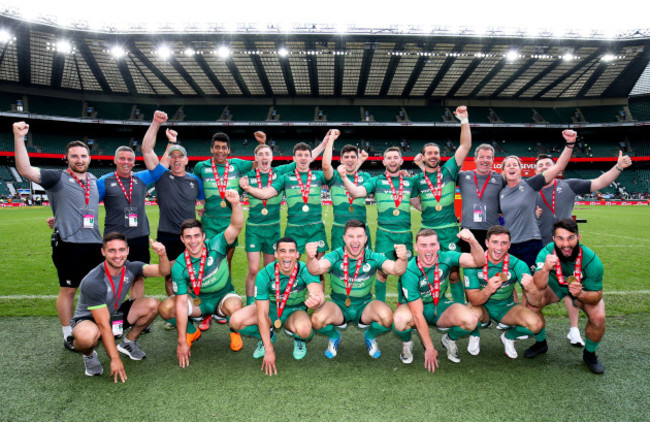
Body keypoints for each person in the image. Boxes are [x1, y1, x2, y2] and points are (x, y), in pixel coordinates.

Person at [13, 121, 104, 350]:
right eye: (74, 156)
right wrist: (19, 137)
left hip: (94, 244)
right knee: (69, 290)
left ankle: (95, 326)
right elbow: (25, 170)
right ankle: (68, 334)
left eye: (83, 155)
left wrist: (58, 218)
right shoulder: (56, 178)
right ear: (67, 158)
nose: (80, 159)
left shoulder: (93, 181)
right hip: (68, 244)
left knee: (97, 288)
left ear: (89, 158)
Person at [534, 151, 632, 346]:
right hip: (539, 247)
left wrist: (618, 167)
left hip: (565, 246)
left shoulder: (568, 185)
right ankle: (536, 333)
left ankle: (574, 330)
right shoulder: (529, 190)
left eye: (548, 164)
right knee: (534, 291)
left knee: (573, 285)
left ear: (557, 168)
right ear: (535, 170)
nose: (544, 168)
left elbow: (599, 183)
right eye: (540, 166)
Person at [158, 190, 245, 368]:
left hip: (223, 298)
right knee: (166, 308)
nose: (193, 241)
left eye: (197, 236)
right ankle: (192, 332)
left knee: (235, 307)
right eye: (188, 237)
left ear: (203, 236)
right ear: (182, 239)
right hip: (199, 303)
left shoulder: (217, 243)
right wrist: (182, 340)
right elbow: (182, 303)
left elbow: (235, 227)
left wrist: (236, 204)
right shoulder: (180, 266)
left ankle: (234, 330)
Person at [70, 232, 170, 381]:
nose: (117, 255)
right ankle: (89, 355)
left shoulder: (131, 267)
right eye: (112, 250)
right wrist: (115, 359)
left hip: (113, 314)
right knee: (86, 338)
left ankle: (128, 343)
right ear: (103, 252)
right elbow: (102, 324)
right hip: (88, 320)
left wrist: (162, 254)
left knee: (152, 304)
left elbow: (164, 271)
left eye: (121, 250)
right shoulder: (94, 281)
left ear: (128, 250)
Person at [239, 137, 326, 305]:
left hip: (273, 229)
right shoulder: (247, 177)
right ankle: (252, 304)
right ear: (255, 158)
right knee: (253, 269)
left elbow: (306, 157)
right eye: (261, 154)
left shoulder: (280, 172)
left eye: (267, 154)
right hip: (254, 228)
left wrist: (323, 144)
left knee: (269, 270)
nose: (264, 158)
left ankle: (270, 301)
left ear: (272, 157)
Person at [306, 220, 408, 359]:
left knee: (387, 317)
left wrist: (402, 259)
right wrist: (311, 257)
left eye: (359, 236)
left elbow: (396, 270)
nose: (355, 241)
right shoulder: (335, 256)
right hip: (338, 305)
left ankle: (370, 336)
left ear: (365, 239)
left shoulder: (373, 257)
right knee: (317, 320)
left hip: (364, 305)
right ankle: (334, 336)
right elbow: (316, 268)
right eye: (351, 236)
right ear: (344, 238)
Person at [192, 130, 263, 330]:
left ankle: (221, 303)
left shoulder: (238, 164)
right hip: (208, 223)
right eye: (217, 147)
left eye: (224, 147)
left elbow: (259, 164)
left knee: (226, 262)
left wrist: (262, 144)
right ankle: (205, 309)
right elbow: (197, 186)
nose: (221, 151)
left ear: (229, 150)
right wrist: (202, 201)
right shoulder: (201, 166)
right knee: (205, 263)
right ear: (212, 149)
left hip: (230, 223)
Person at [228, 237, 325, 375]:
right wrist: (269, 350)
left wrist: (317, 299)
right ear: (276, 254)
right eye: (282, 251)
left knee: (305, 331)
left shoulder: (305, 269)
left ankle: (298, 339)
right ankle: (267, 336)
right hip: (271, 310)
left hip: (295, 311)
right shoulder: (265, 274)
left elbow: (317, 291)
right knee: (235, 321)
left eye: (291, 251)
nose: (287, 255)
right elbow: (262, 314)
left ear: (297, 254)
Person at [393, 228, 485, 370]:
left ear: (438, 245)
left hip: (439, 304)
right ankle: (407, 342)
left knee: (471, 320)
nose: (428, 250)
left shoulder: (446, 257)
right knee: (399, 321)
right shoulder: (410, 270)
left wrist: (472, 240)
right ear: (416, 247)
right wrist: (429, 348)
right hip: (415, 309)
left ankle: (449, 339)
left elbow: (479, 261)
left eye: (432, 245)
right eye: (423, 245)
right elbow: (417, 314)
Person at [524, 219, 606, 374]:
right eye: (560, 238)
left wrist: (581, 294)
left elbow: (596, 296)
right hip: (555, 285)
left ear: (578, 238)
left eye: (570, 238)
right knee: (532, 302)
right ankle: (541, 343)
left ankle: (589, 354)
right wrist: (545, 269)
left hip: (583, 289)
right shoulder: (545, 253)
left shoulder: (592, 261)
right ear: (553, 239)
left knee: (598, 317)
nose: (566, 244)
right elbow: (539, 285)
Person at [339, 146, 416, 302]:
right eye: (389, 157)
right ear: (384, 161)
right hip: (384, 236)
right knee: (382, 273)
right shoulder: (375, 181)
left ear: (401, 160)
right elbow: (356, 192)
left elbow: (419, 204)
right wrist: (344, 178)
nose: (392, 161)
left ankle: (404, 306)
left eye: (396, 157)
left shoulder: (410, 182)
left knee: (406, 273)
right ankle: (382, 307)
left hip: (405, 235)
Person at [141, 110, 205, 298]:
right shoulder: (161, 175)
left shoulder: (195, 181)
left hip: (191, 235)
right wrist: (156, 123)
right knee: (169, 276)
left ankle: (192, 311)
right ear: (169, 159)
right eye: (173, 156)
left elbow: (203, 206)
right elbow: (146, 149)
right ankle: (173, 310)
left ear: (186, 160)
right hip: (167, 234)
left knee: (192, 276)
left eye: (180, 156)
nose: (176, 160)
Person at [96, 142, 166, 303]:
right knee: (112, 277)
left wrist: (169, 143)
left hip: (140, 235)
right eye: (122, 159)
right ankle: (111, 313)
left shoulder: (141, 178)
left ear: (134, 162)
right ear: (115, 160)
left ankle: (136, 313)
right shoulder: (104, 181)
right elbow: (88, 205)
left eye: (129, 159)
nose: (126, 162)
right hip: (114, 238)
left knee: (138, 277)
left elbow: (161, 168)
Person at [498, 129, 576, 271]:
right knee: (507, 284)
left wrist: (570, 144)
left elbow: (558, 167)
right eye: (508, 165)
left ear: (521, 169)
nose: (511, 167)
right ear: (502, 171)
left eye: (515, 164)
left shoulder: (530, 184)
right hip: (507, 244)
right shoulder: (500, 192)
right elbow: (498, 216)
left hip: (530, 243)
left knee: (532, 285)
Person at [464, 226, 544, 359]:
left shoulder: (518, 264)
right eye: (495, 242)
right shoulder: (473, 262)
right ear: (486, 243)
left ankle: (509, 337)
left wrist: (531, 289)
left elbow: (536, 302)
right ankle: (474, 334)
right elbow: (473, 300)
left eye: (504, 243)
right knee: (467, 318)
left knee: (536, 324)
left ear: (509, 245)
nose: (499, 248)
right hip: (480, 306)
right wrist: (489, 289)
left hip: (505, 307)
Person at [240, 140, 330, 256]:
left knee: (319, 270)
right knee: (292, 267)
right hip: (293, 229)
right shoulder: (285, 177)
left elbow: (318, 163)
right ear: (293, 158)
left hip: (316, 228)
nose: (303, 158)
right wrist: (247, 188)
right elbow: (265, 194)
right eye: (299, 156)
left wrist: (324, 145)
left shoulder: (317, 175)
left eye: (306, 156)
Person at [321, 132, 371, 252]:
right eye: (346, 157)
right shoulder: (334, 177)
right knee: (338, 266)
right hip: (340, 230)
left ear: (357, 159)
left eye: (353, 157)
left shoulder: (366, 177)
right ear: (341, 160)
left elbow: (352, 175)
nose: (350, 160)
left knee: (363, 266)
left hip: (361, 230)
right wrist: (331, 139)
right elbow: (326, 166)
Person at [456, 144, 504, 252]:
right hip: (468, 229)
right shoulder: (463, 176)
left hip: (492, 230)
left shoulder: (500, 179)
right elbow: (442, 180)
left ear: (493, 160)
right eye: (481, 157)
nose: (485, 160)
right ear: (475, 159)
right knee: (469, 265)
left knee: (490, 265)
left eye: (488, 157)